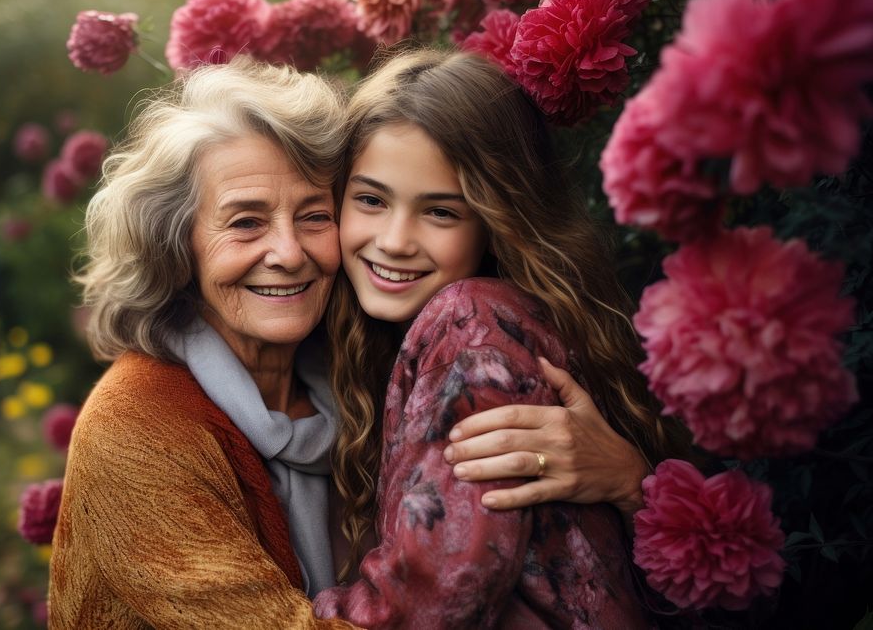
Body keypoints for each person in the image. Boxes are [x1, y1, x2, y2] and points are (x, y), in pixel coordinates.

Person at [48, 54, 649, 628]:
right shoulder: (137, 429)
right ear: (177, 246)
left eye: (313, 215)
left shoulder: (378, 363)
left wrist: (632, 484)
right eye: (246, 222)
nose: (288, 253)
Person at [314, 48, 690, 627]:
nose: (393, 240)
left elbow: (437, 592)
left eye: (440, 212)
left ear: (495, 221)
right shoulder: (400, 336)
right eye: (370, 199)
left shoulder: (473, 326)